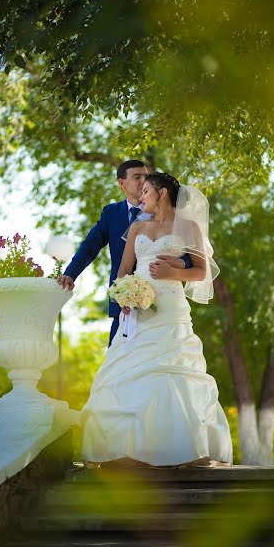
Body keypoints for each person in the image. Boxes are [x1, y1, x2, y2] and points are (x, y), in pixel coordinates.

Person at [77, 172, 233, 468]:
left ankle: (184, 447)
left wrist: (174, 273)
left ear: (162, 193)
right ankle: (123, 449)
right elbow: (123, 271)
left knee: (173, 373)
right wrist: (125, 297)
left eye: (146, 191)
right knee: (129, 373)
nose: (141, 196)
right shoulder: (137, 228)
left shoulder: (188, 227)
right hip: (138, 311)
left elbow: (200, 272)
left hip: (171, 309)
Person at [57, 160, 191, 345]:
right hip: (125, 303)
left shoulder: (165, 214)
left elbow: (187, 252)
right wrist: (70, 273)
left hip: (165, 301)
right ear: (122, 183)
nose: (143, 180)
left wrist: (182, 264)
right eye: (137, 177)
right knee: (120, 362)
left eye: (145, 176)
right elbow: (90, 246)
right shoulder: (111, 213)